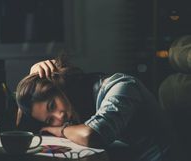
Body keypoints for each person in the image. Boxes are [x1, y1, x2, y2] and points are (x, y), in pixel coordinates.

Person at [15, 56, 176, 161]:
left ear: (61, 86)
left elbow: (93, 135)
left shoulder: (122, 86)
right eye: (50, 120)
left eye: (52, 105)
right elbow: (20, 131)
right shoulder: (78, 108)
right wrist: (31, 79)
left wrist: (60, 130)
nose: (59, 116)